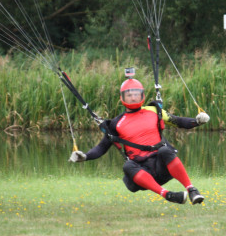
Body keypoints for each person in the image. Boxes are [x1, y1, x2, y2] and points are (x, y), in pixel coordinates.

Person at [69, 74, 210, 205]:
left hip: (162, 167)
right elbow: (101, 148)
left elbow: (178, 121)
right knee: (127, 166)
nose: (133, 98)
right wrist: (85, 156)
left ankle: (192, 190)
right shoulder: (116, 123)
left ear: (142, 95)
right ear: (122, 98)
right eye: (129, 95)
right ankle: (168, 195)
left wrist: (197, 121)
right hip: (141, 174)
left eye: (136, 94)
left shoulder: (154, 111)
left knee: (166, 150)